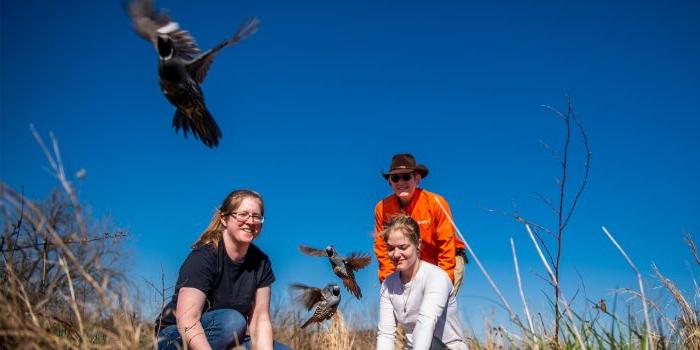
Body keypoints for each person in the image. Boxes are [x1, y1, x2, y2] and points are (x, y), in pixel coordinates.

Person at [156, 189, 290, 350]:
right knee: (232, 322)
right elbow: (187, 319)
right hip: (176, 335)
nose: (250, 221)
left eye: (256, 216)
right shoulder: (204, 256)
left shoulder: (262, 263)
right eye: (243, 214)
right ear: (224, 219)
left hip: (230, 336)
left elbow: (260, 320)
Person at [374, 153, 467, 294]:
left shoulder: (436, 203)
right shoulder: (381, 208)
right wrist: (389, 283)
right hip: (411, 263)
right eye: (395, 178)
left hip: (445, 260)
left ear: (417, 179)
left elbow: (446, 247)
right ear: (389, 182)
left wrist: (442, 283)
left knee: (436, 307)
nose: (400, 182)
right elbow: (383, 249)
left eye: (406, 176)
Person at [376, 215, 468, 350]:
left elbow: (425, 323)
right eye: (391, 248)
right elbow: (385, 334)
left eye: (403, 247)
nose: (396, 254)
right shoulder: (388, 285)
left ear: (418, 244)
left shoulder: (436, 277)